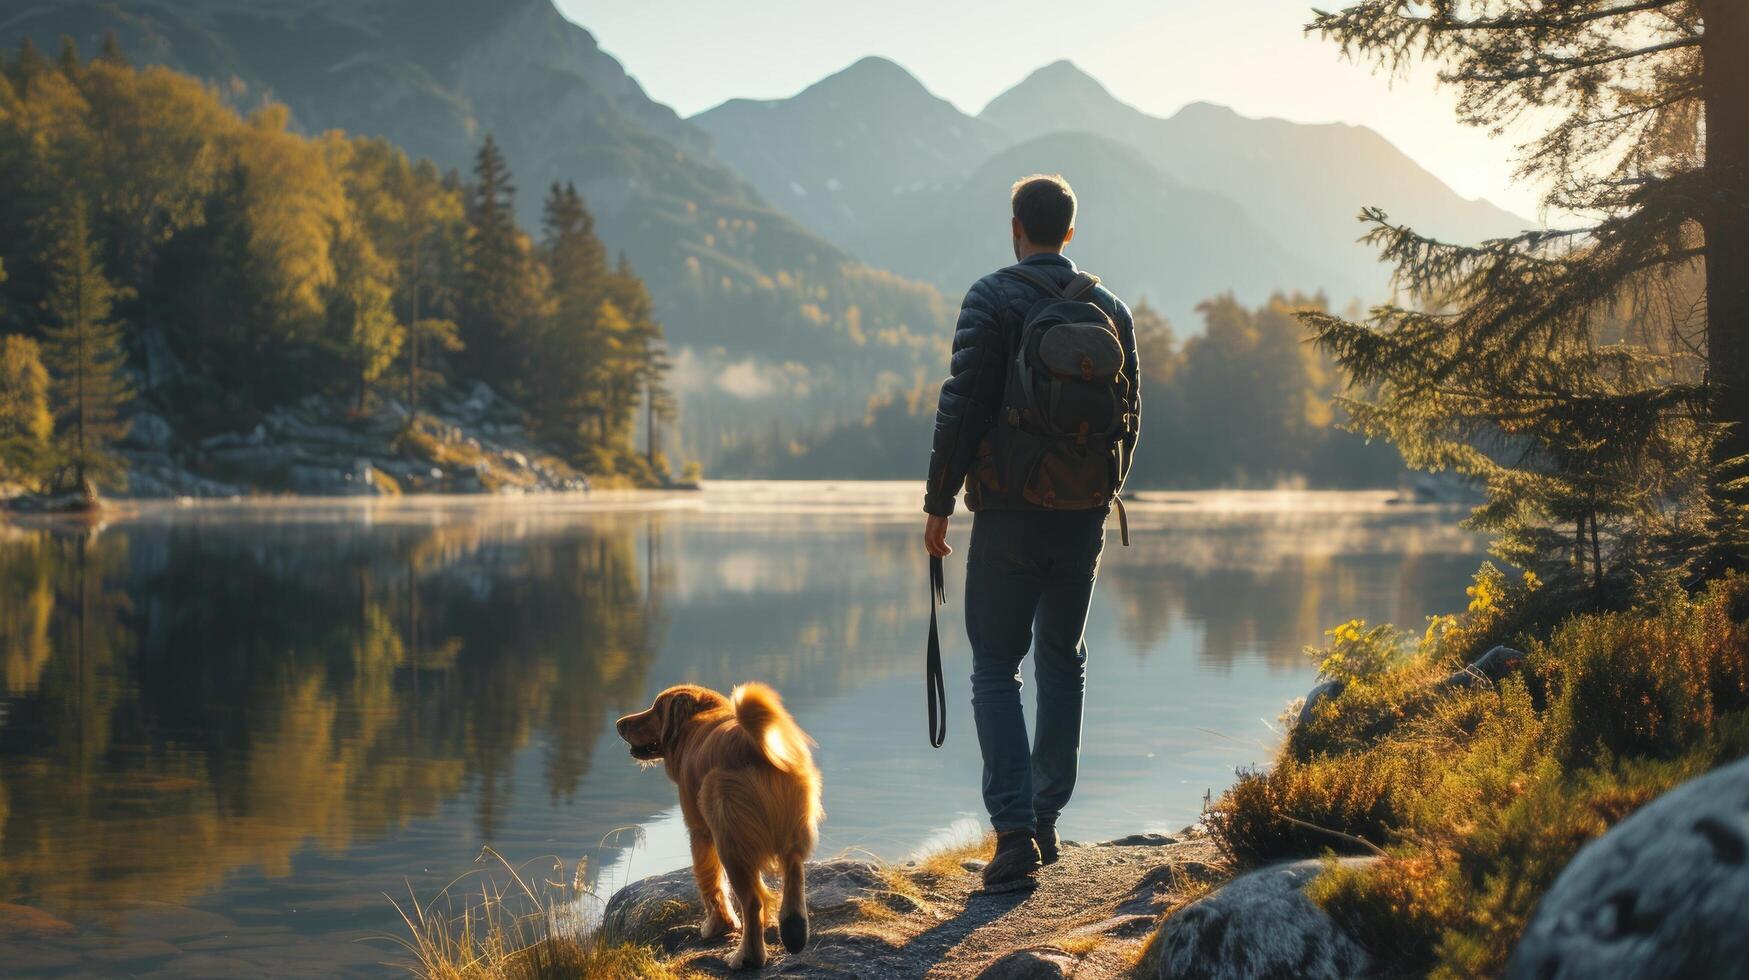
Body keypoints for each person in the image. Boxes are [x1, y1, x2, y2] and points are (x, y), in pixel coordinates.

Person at [921, 173, 1140, 893]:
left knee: (993, 666)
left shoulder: (991, 297)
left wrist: (939, 501)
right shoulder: (1109, 308)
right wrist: (1097, 490)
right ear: (1068, 232)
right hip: (1082, 517)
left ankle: (1011, 836)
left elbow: (964, 402)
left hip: (1009, 513)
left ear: (1015, 226)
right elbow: (1129, 418)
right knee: (1061, 659)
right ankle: (1045, 820)